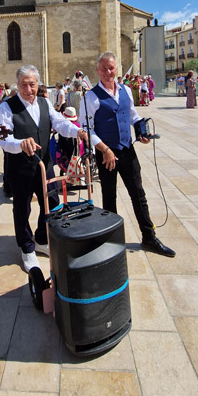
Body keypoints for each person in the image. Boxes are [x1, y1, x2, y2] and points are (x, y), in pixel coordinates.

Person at [80, 52, 175, 257]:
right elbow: (86, 128)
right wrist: (104, 149)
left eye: (111, 68)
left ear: (117, 69)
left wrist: (141, 131)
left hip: (126, 150)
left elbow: (132, 114)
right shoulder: (90, 96)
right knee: (109, 196)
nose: (108, 72)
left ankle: (149, 237)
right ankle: (111, 241)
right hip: (106, 153)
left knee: (138, 194)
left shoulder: (125, 90)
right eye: (104, 68)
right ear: (97, 70)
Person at [0, 65, 88, 272]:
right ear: (18, 86)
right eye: (24, 85)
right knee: (22, 208)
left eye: (32, 84)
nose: (29, 89)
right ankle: (26, 247)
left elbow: (60, 124)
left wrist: (77, 131)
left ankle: (40, 238)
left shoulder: (45, 103)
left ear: (38, 84)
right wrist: (19, 144)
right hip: (20, 168)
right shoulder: (7, 107)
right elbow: (3, 138)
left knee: (52, 203)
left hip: (45, 166)